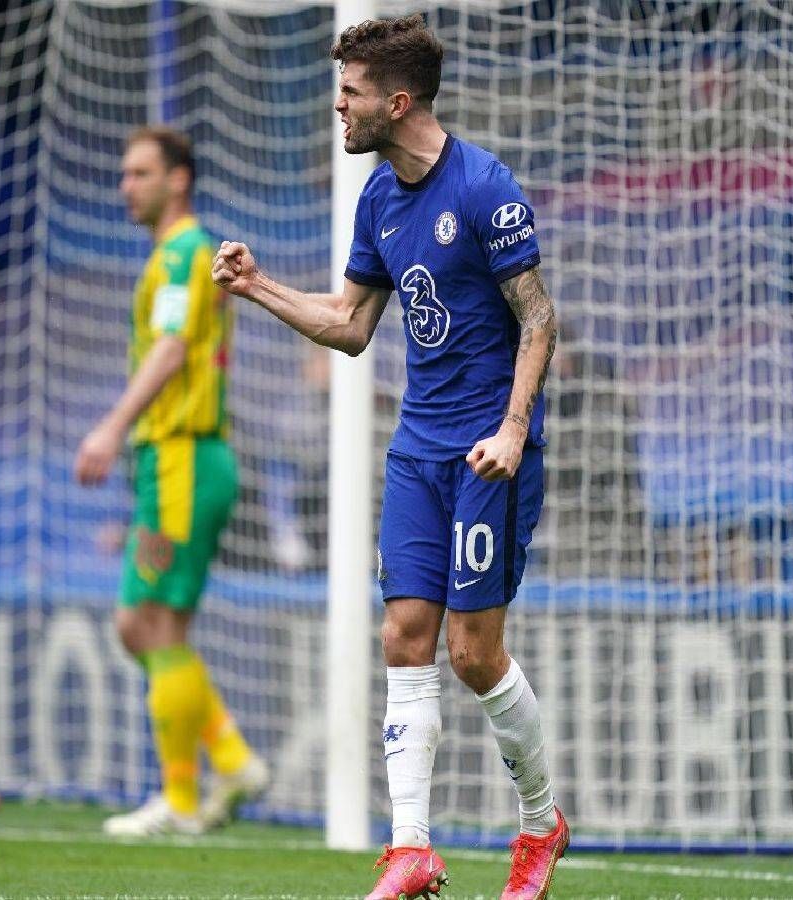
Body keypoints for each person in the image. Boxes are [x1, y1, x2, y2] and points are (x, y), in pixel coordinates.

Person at [213, 17, 566, 900]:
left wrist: (512, 431)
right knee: (403, 636)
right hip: (417, 450)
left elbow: (538, 318)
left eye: (352, 92)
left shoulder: (484, 187)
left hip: (488, 453)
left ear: (397, 102)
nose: (339, 106)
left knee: (473, 654)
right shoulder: (378, 197)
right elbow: (349, 324)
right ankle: (411, 847)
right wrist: (257, 286)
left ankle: (541, 825)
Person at [75, 126, 268, 836]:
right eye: (125, 173)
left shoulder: (187, 251)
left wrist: (110, 427)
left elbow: (171, 350)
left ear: (177, 179)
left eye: (140, 173)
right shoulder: (171, 253)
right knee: (148, 626)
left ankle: (184, 798)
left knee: (147, 622)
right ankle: (228, 762)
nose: (125, 186)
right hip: (170, 469)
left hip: (184, 462)